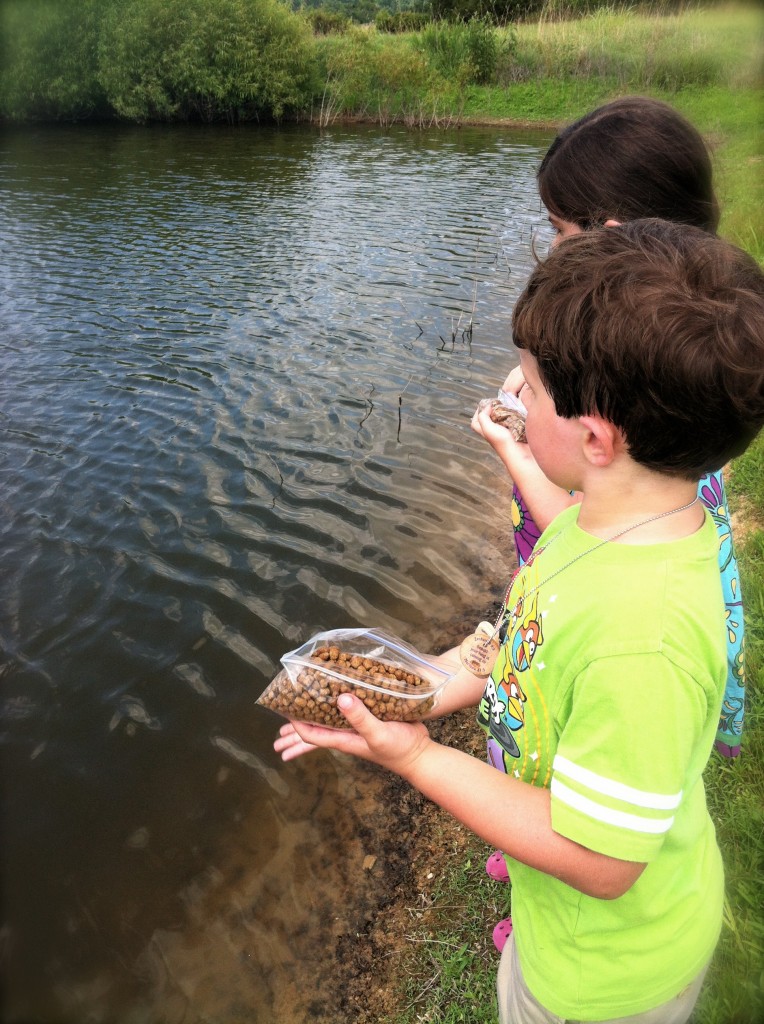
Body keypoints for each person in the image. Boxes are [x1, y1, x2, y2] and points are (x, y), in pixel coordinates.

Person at [274, 220, 764, 1023]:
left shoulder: (644, 640)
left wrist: (418, 760)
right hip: (562, 935)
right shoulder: (606, 519)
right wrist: (407, 689)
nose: (512, 398)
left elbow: (601, 859)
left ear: (597, 438)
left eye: (527, 390)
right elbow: (525, 632)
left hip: (602, 980)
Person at [472, 97, 746, 762]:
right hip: (573, 581)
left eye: (560, 229)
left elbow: (584, 526)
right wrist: (542, 378)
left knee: (572, 716)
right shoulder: (683, 356)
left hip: (586, 591)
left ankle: (540, 810)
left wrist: (514, 447)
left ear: (611, 230)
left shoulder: (630, 606)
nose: (554, 244)